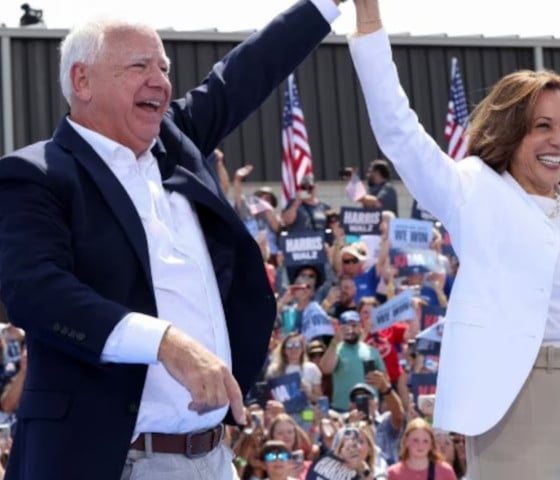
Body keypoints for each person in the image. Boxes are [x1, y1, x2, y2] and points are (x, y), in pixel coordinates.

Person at [0, 1, 346, 479]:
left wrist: (326, 4)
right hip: (110, 461)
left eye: (163, 66)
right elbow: (34, 291)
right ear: (81, 81)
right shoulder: (35, 176)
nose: (160, 80)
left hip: (213, 458)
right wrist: (164, 342)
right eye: (139, 66)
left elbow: (246, 72)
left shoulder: (175, 144)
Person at [348, 1, 560, 478]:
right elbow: (399, 132)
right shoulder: (473, 193)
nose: (559, 141)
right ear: (510, 131)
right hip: (523, 401)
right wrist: (368, 21)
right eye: (541, 126)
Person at [387, 418, 457, 480]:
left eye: (425, 441)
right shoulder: (393, 473)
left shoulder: (445, 471)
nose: (420, 445)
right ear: (406, 441)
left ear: (431, 444)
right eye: (415, 440)